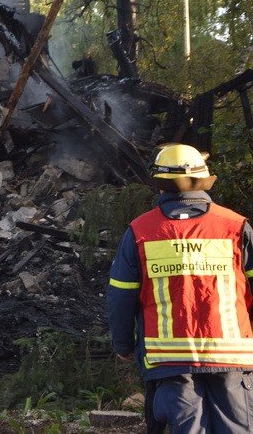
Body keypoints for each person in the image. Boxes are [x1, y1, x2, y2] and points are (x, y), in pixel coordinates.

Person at [106, 144, 253, 433]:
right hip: (232, 357)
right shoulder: (235, 226)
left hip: (169, 359)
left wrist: (123, 343)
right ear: (204, 179)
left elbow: (121, 294)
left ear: (159, 185)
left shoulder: (141, 230)